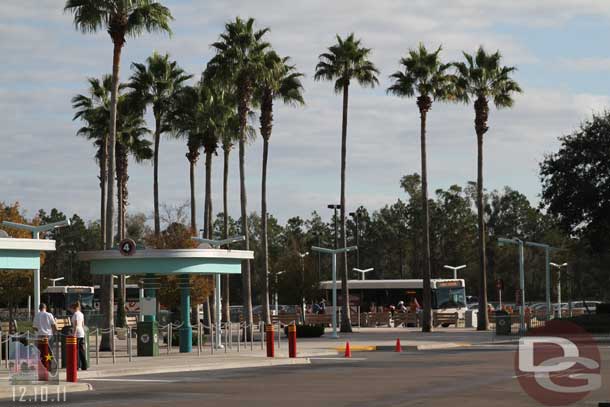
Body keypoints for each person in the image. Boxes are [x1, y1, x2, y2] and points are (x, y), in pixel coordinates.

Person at [71, 302, 87, 371]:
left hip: (77, 333)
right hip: (81, 333)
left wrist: (74, 334)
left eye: (71, 308)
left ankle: (76, 366)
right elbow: (83, 324)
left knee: (75, 350)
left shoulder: (76, 314)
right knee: (81, 350)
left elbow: (76, 325)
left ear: (73, 308)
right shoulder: (81, 314)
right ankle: (84, 365)